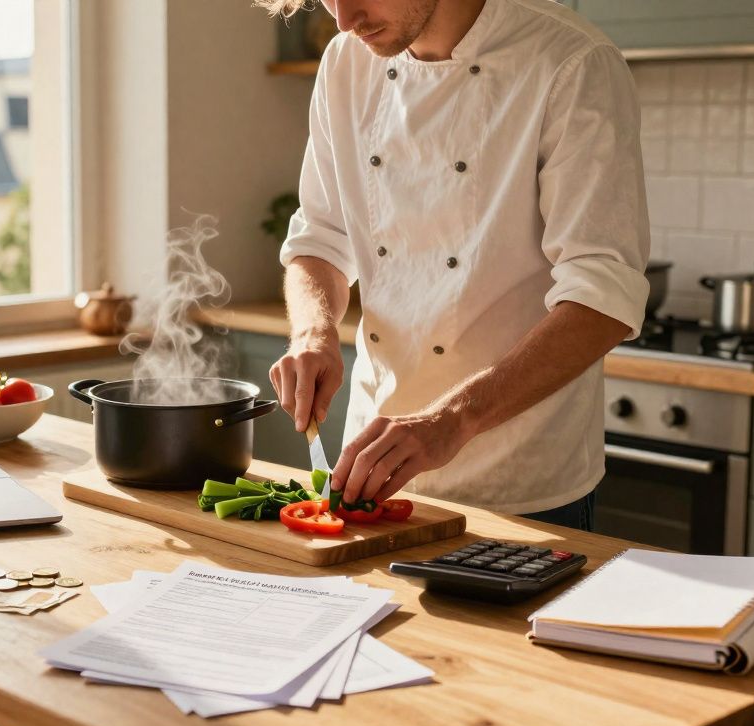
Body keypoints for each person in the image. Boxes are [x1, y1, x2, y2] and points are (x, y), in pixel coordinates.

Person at [261, 0, 649, 530]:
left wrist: (451, 420)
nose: (344, 19)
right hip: (373, 467)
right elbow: (321, 236)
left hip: (520, 485)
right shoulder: (345, 62)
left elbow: (601, 293)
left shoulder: (571, 62)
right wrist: (312, 331)